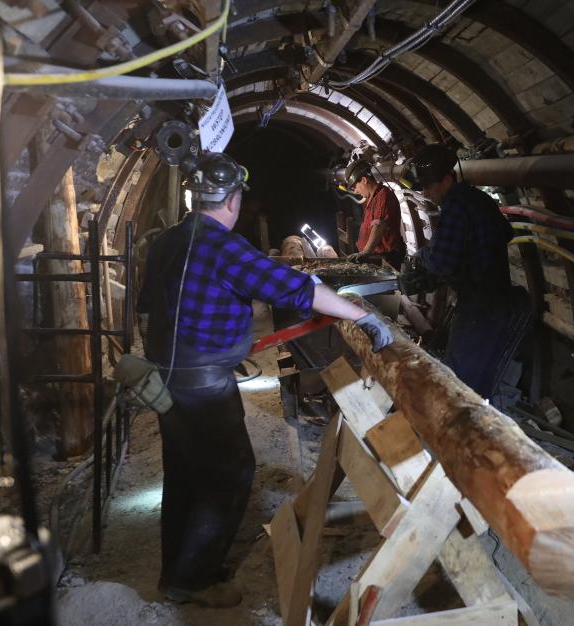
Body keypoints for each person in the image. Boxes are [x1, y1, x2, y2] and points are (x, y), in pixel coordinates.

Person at [137, 152, 392, 608]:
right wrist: (360, 316)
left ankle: (175, 571)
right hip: (202, 384)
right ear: (232, 199)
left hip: (165, 377)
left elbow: (144, 307)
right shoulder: (223, 246)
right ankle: (193, 580)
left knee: (185, 473)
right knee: (229, 474)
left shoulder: (166, 241)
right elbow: (296, 288)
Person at [400, 144, 530, 399]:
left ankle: (460, 422)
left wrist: (422, 255)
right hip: (498, 300)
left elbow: (441, 262)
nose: (425, 193)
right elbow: (506, 233)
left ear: (446, 179)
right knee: (479, 381)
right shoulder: (479, 198)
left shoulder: (455, 205)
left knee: (460, 383)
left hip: (478, 307)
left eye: (428, 186)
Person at [344, 158, 407, 268]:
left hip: (386, 259)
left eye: (355, 186)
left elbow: (378, 225)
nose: (355, 191)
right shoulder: (371, 198)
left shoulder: (383, 195)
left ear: (364, 180)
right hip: (376, 257)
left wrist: (365, 252)